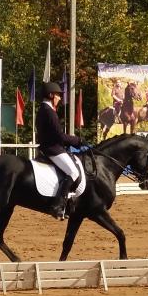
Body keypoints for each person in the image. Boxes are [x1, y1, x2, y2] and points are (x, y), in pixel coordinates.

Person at [36, 82, 83, 220]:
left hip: (50, 147)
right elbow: (59, 136)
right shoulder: (49, 112)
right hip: (53, 149)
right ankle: (58, 205)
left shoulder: (44, 109)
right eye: (57, 95)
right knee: (73, 172)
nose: (60, 98)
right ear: (51, 95)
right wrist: (77, 141)